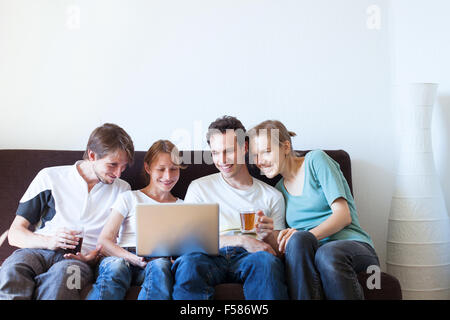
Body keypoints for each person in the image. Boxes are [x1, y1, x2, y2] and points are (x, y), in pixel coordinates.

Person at [0, 123, 134, 300]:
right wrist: (49, 241)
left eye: (123, 167)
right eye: (112, 165)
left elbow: (120, 241)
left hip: (79, 263)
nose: (118, 173)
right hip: (38, 251)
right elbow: (15, 234)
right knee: (12, 269)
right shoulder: (49, 177)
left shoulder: (123, 190)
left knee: (65, 280)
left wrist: (94, 257)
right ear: (92, 155)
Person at [248, 120, 380, 300]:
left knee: (325, 252)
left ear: (286, 147)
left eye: (266, 151)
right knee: (301, 243)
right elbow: (286, 246)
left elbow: (343, 216)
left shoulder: (316, 160)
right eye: (255, 155)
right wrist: (268, 233)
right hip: (312, 256)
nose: (259, 161)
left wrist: (305, 236)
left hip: (352, 246)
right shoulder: (278, 191)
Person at [171, 116, 289, 300]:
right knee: (188, 263)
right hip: (208, 255)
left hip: (251, 257)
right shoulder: (199, 187)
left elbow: (278, 253)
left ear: (245, 148)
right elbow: (188, 241)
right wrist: (241, 240)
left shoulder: (272, 196)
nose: (222, 160)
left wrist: (269, 236)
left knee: (267, 262)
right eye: (216, 152)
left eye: (229, 151)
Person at [86, 140, 185, 300]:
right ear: (148, 168)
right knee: (117, 266)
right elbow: (104, 241)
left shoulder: (183, 206)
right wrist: (133, 259)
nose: (168, 176)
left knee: (161, 266)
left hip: (156, 261)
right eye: (161, 169)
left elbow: (183, 247)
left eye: (174, 169)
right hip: (122, 256)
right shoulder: (129, 197)